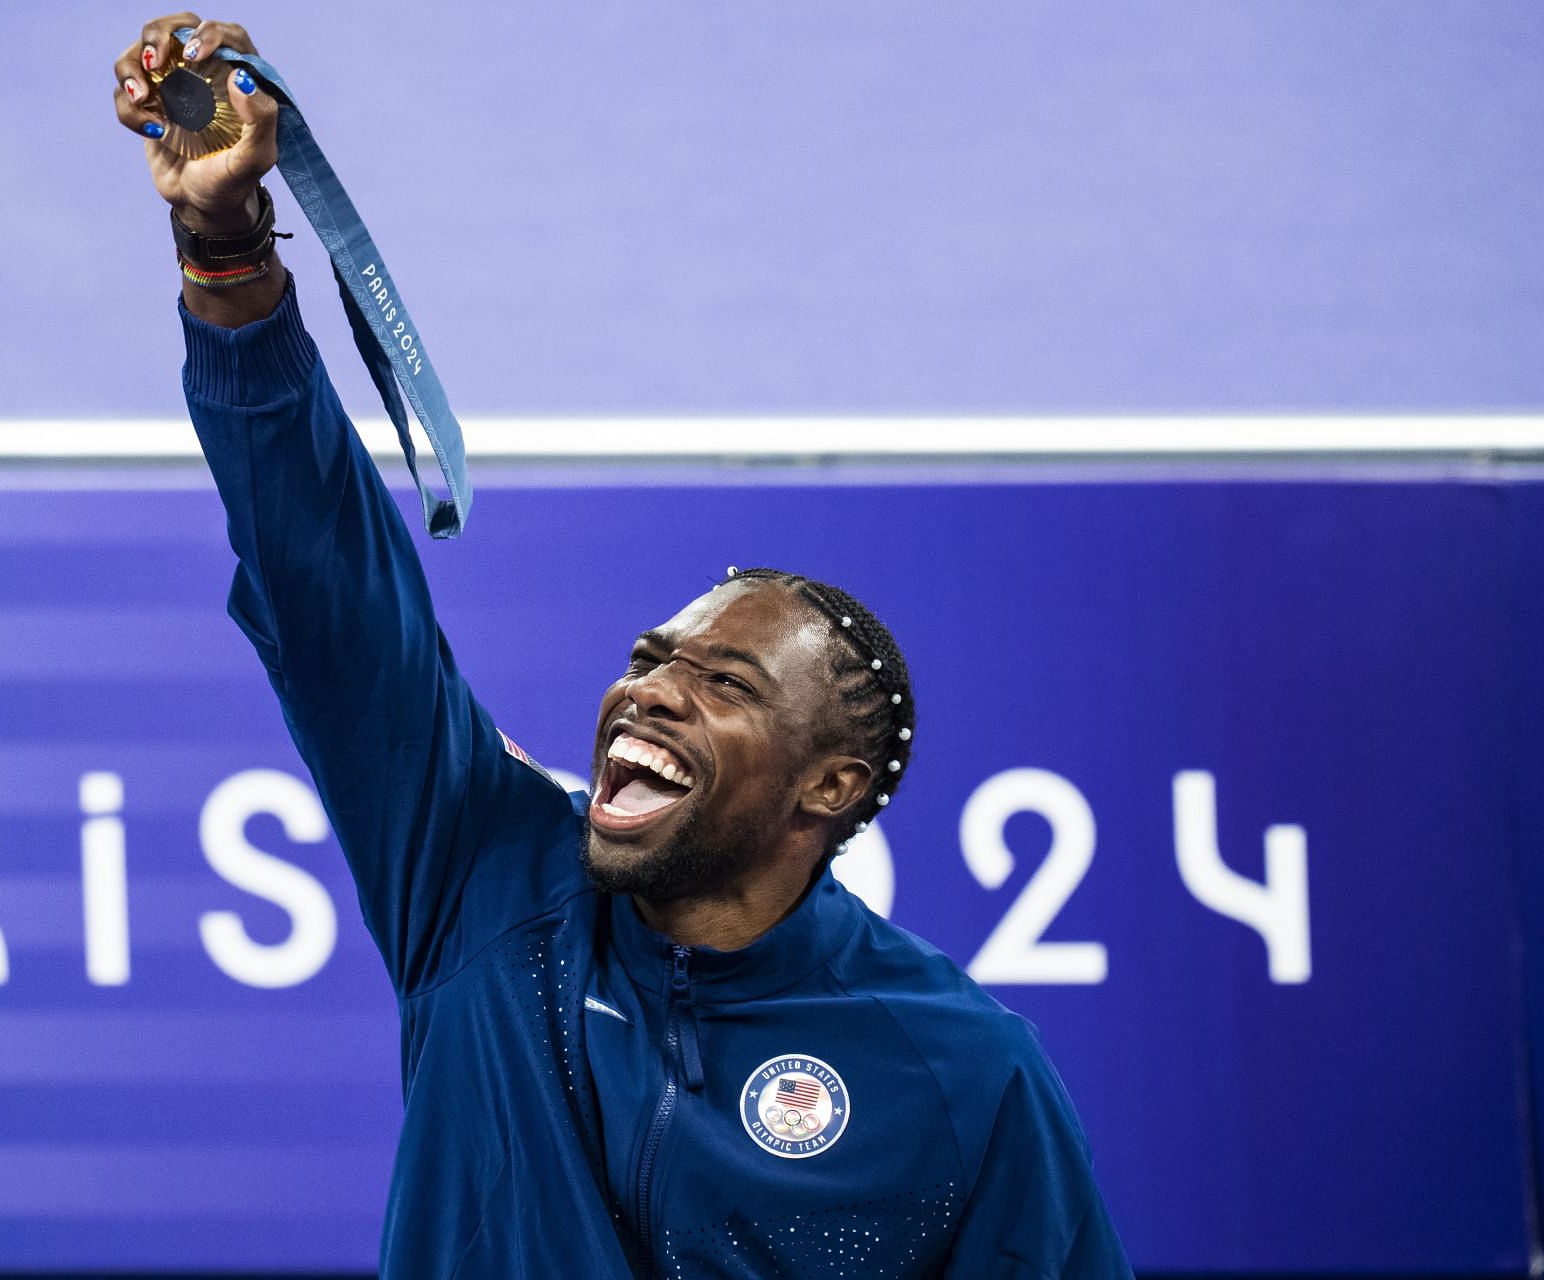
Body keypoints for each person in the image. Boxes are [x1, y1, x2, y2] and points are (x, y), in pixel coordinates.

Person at [114, 14, 1132, 1278]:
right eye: (653, 658)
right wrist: (225, 249)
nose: (651, 693)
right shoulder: (480, 875)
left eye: (723, 683)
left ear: (830, 785)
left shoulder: (965, 1072)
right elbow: (331, 586)